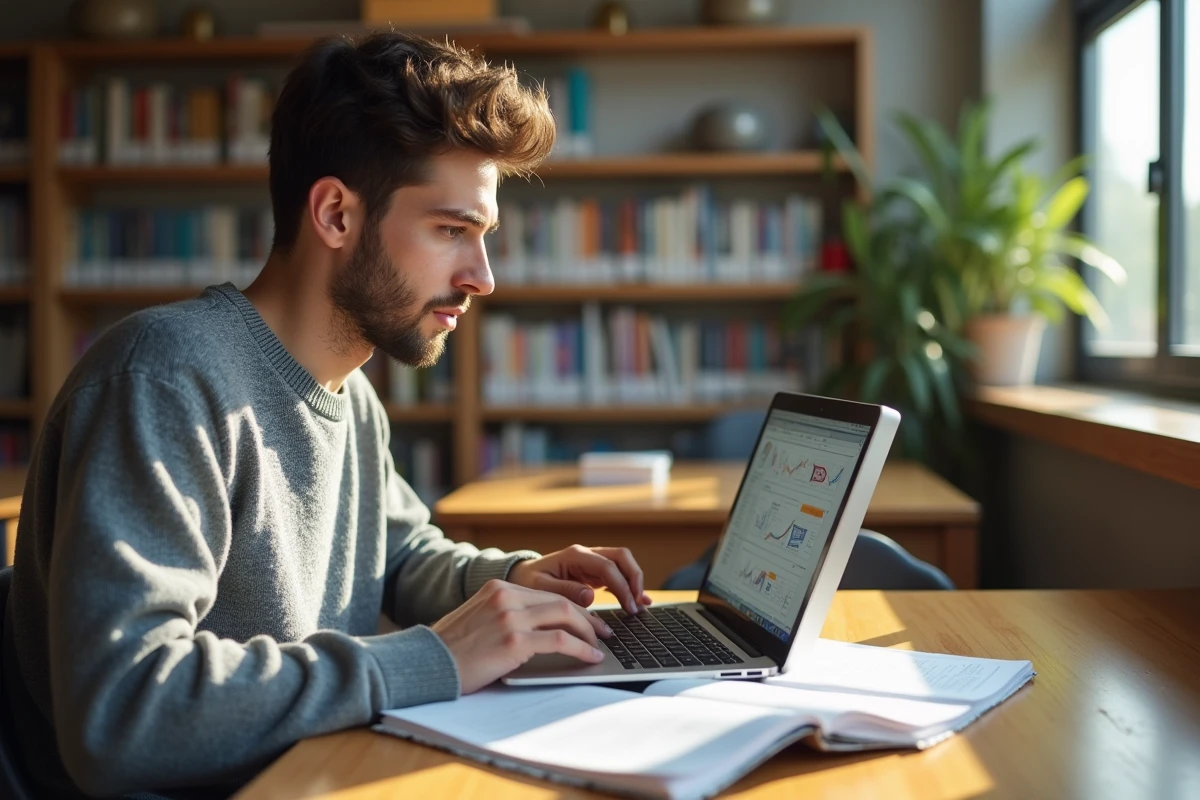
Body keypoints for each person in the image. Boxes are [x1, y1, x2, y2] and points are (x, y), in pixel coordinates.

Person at [1, 32, 651, 799]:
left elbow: (400, 557)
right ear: (336, 215)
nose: (483, 278)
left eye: (484, 237)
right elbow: (126, 710)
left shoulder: (351, 391)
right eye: (451, 231)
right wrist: (434, 658)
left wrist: (513, 582)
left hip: (303, 771)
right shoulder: (165, 379)